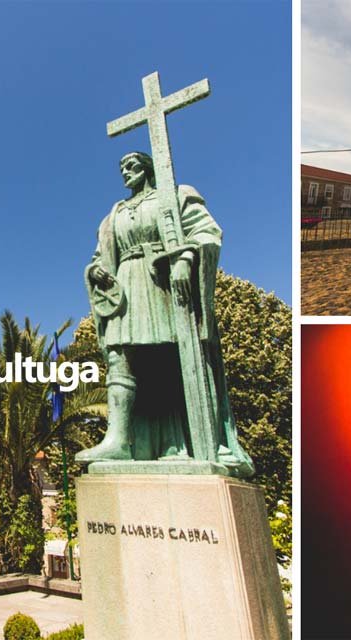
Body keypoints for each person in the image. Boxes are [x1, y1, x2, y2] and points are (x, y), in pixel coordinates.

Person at [75, 151, 253, 478]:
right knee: (120, 357)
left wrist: (185, 259)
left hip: (162, 282)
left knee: (170, 356)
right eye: (121, 168)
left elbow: (206, 232)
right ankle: (118, 440)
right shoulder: (114, 213)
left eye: (132, 166)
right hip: (124, 287)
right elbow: (100, 254)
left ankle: (178, 444)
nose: (126, 173)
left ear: (147, 167)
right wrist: (96, 270)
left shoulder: (175, 196)